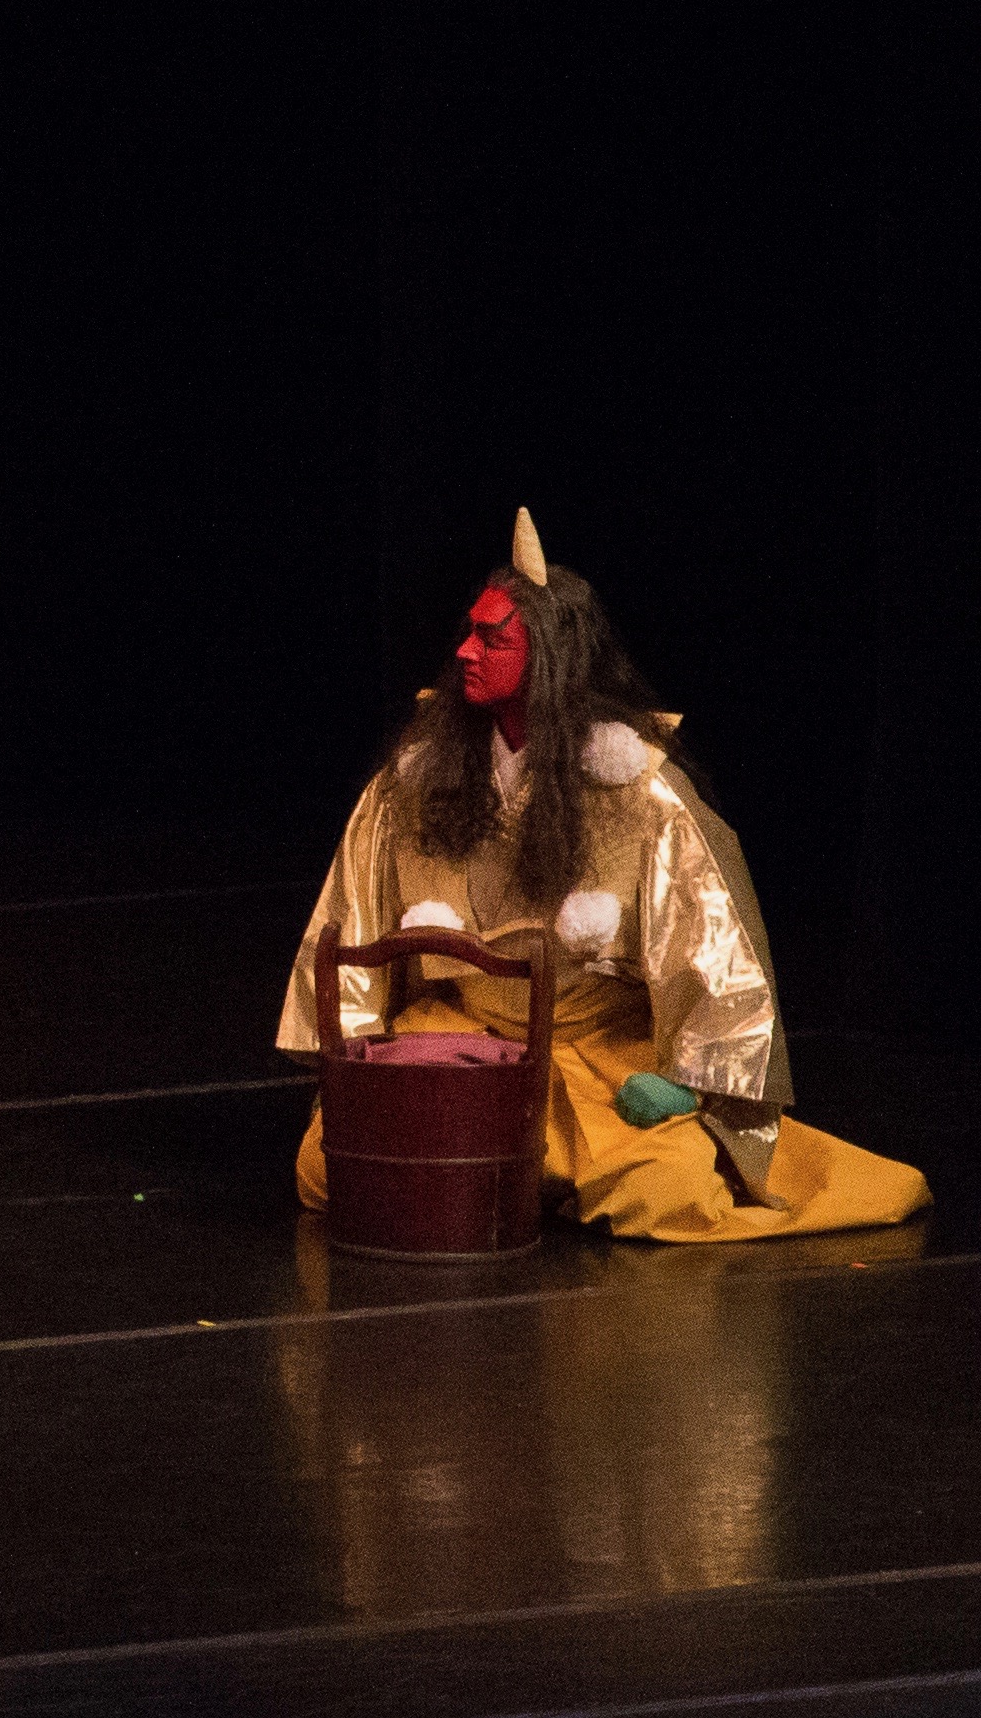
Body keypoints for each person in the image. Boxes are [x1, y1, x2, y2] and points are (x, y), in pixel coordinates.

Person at [276, 511, 929, 1240]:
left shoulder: (641, 794)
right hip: (462, 1036)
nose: (464, 651)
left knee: (664, 1189)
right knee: (329, 1169)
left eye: (493, 640)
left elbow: (713, 949)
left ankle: (530, 1172)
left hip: (595, 1050)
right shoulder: (414, 785)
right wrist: (353, 1063)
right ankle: (517, 1172)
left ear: (552, 660)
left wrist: (687, 1083)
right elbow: (352, 925)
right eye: (470, 633)